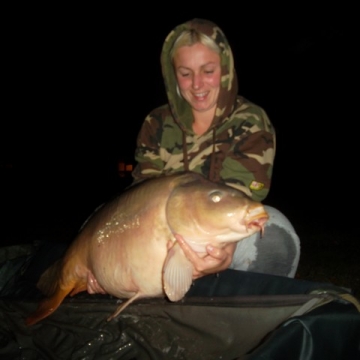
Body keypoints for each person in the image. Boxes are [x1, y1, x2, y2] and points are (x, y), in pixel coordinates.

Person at [132, 18, 300, 279]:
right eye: (186, 74)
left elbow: (240, 197)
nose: (197, 85)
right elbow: (141, 195)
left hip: (223, 231)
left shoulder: (250, 120)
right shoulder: (156, 123)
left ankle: (242, 315)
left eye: (207, 71)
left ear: (225, 70)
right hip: (161, 232)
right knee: (97, 227)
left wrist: (225, 250)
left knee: (275, 234)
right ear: (172, 76)